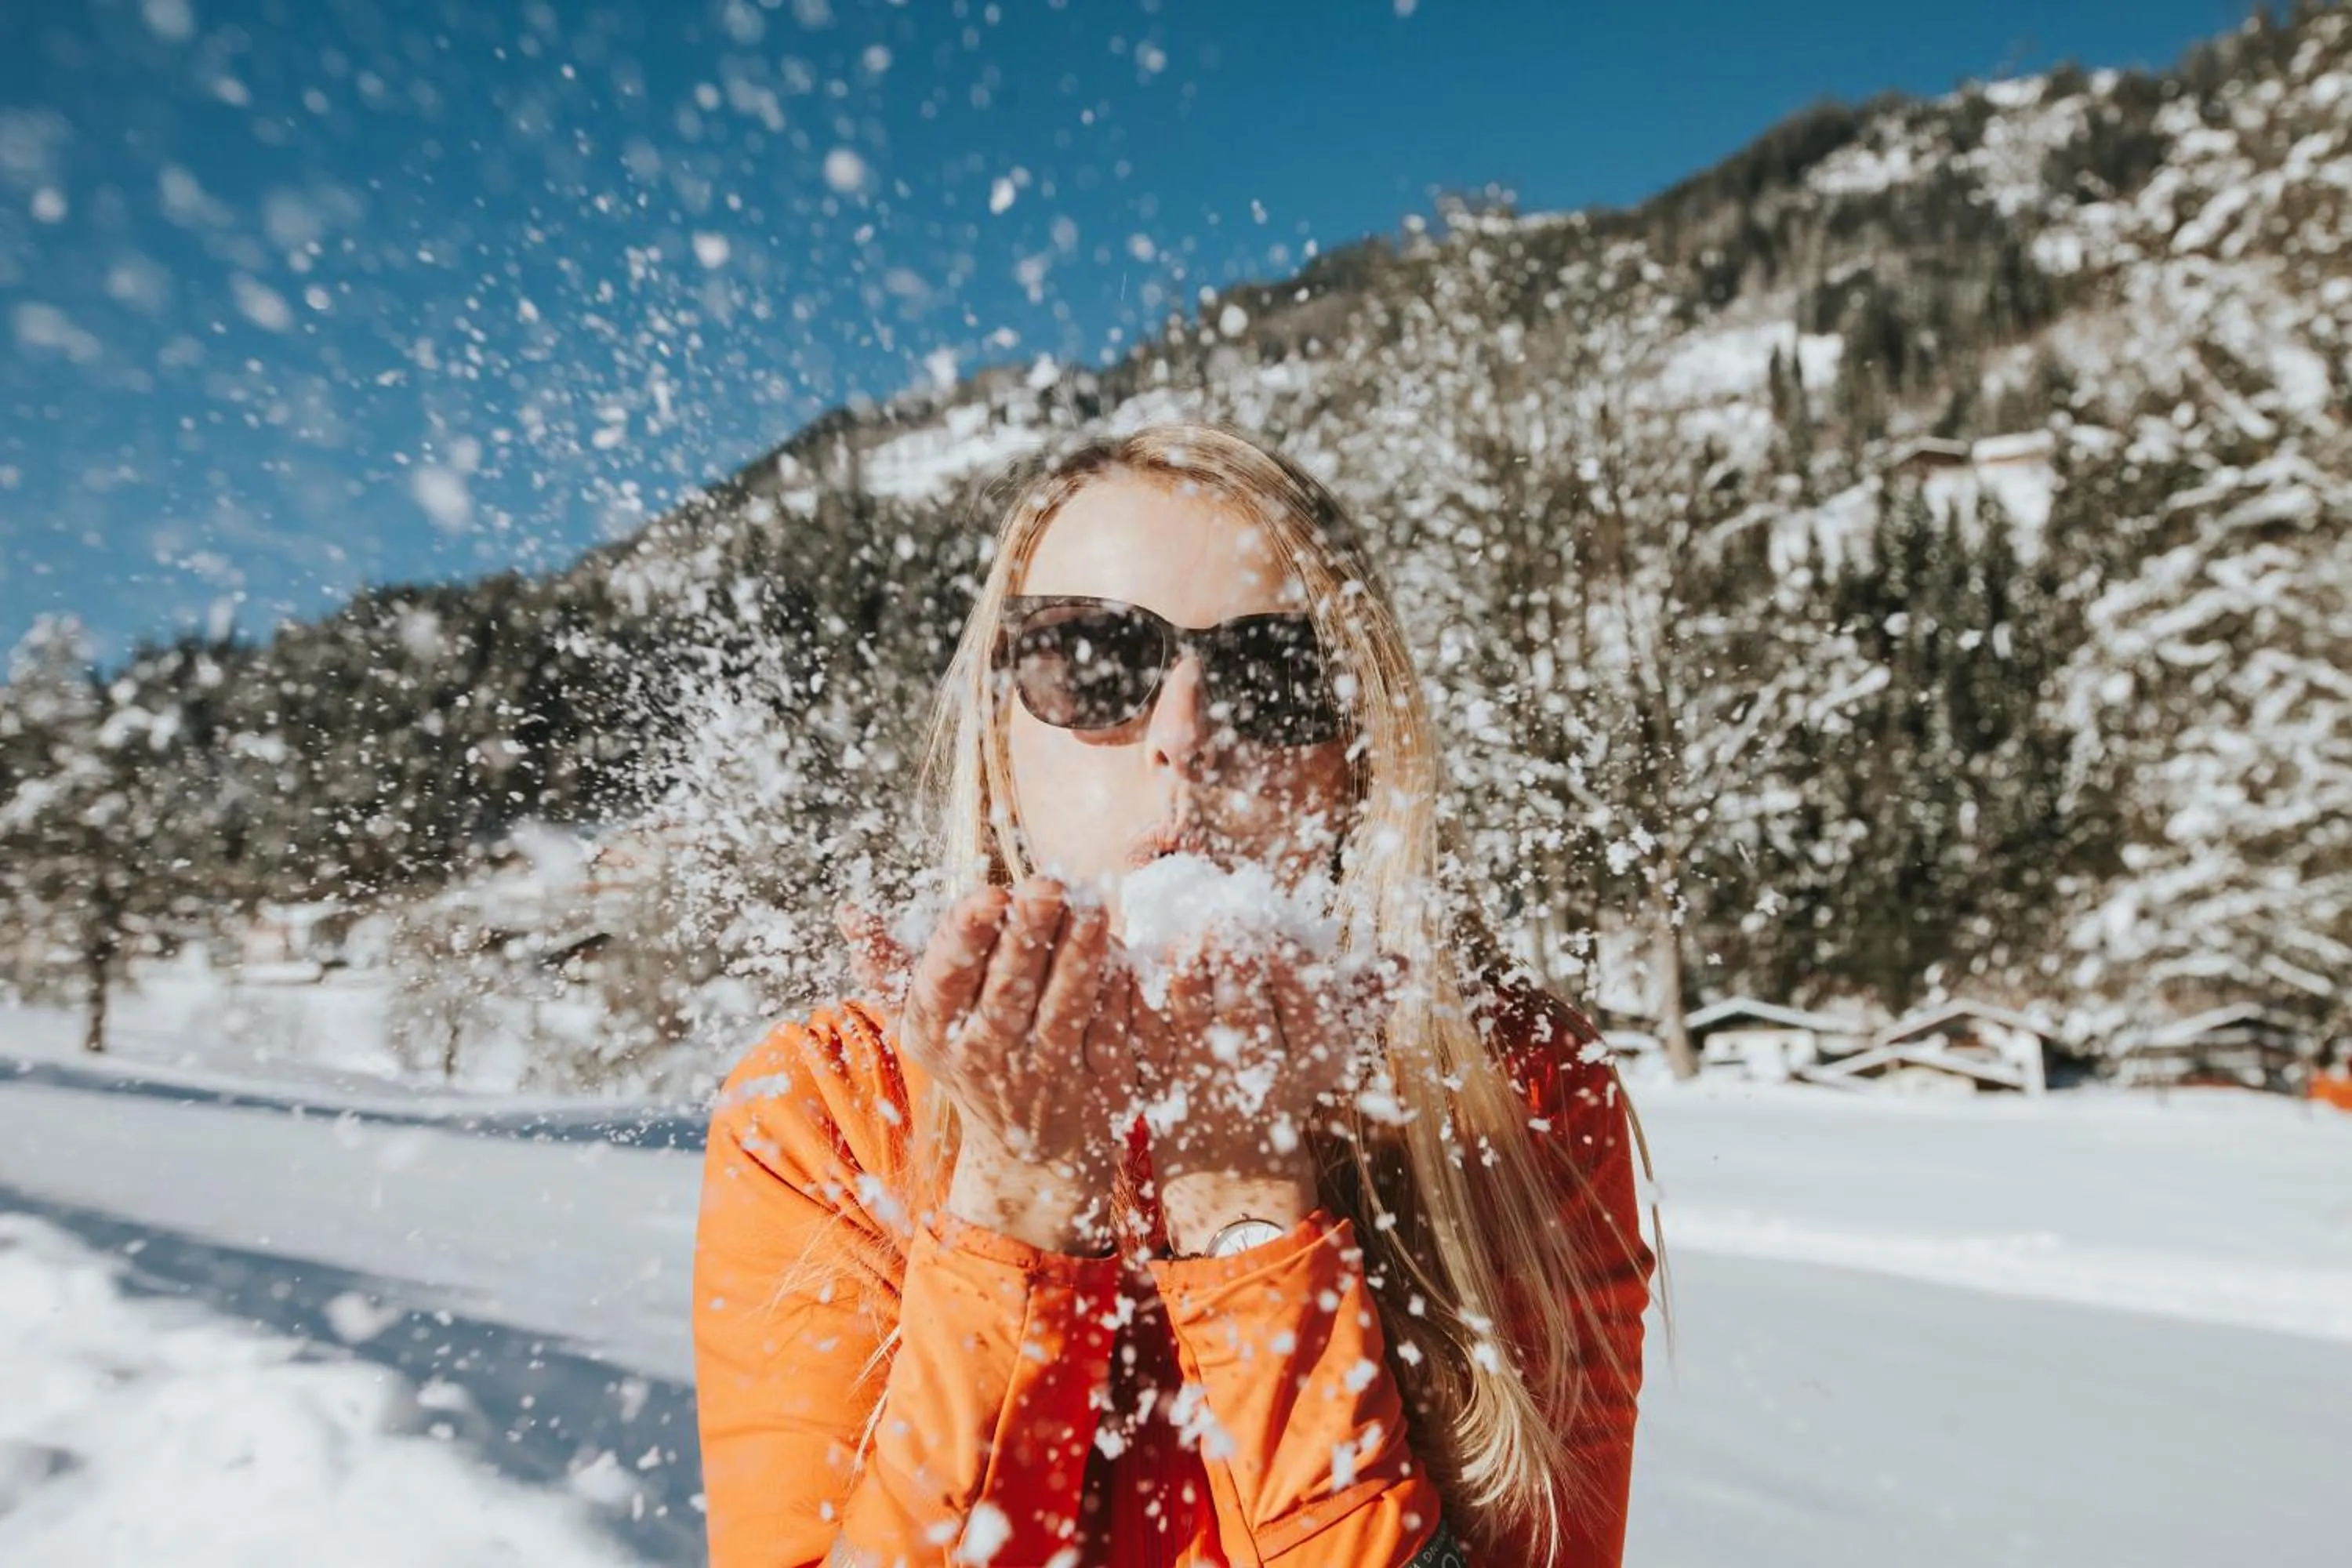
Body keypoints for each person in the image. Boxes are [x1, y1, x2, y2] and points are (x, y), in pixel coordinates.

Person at [693, 424, 1656, 1567]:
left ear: (1355, 749)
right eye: (1093, 658)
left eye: (1273, 676)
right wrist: (1016, 1201)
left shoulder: (1513, 1095)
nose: (1185, 736)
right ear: (1002, 733)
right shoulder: (832, 1112)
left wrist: (1250, 1215)